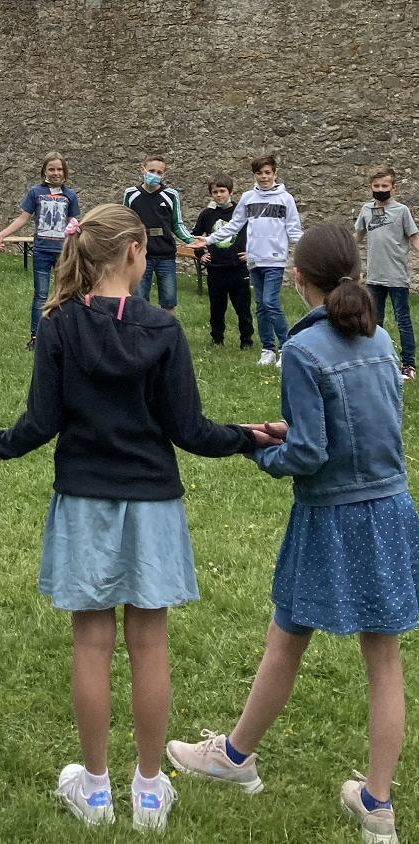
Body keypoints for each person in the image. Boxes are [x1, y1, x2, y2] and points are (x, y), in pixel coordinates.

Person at [0, 205, 276, 832]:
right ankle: (146, 789)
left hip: (84, 500)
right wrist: (249, 437)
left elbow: (40, 422)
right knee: (150, 643)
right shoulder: (161, 327)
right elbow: (188, 429)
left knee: (90, 642)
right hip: (152, 504)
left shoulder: (59, 325)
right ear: (136, 252)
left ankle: (98, 789)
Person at [167, 223, 418, 844]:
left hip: (331, 517)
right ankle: (377, 804)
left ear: (297, 278)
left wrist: (259, 450)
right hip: (389, 509)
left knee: (286, 640)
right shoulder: (383, 338)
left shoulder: (303, 351)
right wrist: (295, 431)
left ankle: (234, 757)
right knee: (383, 661)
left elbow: (309, 455)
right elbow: (362, 428)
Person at [205, 154, 303, 367]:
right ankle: (267, 349)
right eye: (259, 173)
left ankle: (287, 347)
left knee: (271, 303)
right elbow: (234, 225)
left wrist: (309, 250)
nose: (264, 177)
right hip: (254, 260)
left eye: (267, 173)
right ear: (254, 175)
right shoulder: (248, 198)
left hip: (275, 261)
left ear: (275, 174)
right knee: (260, 306)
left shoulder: (286, 199)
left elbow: (294, 230)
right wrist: (208, 240)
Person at [0, 152, 81, 349]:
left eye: (59, 169)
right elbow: (23, 218)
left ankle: (62, 335)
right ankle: (36, 337)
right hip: (42, 251)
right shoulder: (35, 192)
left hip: (63, 252)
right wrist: (2, 235)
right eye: (51, 169)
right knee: (41, 294)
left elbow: (73, 223)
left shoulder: (70, 195)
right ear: (44, 171)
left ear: (64, 172)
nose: (56, 173)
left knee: (64, 293)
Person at [355, 165, 419, 381]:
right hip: (374, 277)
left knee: (403, 321)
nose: (380, 189)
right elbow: (357, 237)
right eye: (376, 185)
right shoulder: (366, 210)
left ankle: (408, 364)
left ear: (393, 187)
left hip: (397, 277)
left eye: (385, 185)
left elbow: (414, 237)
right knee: (374, 320)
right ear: (370, 187)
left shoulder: (402, 211)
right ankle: (377, 360)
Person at [122, 155, 202, 316]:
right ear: (142, 170)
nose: (155, 175)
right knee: (139, 300)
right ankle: (140, 334)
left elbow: (177, 224)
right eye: (151, 171)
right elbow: (125, 222)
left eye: (159, 172)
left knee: (168, 300)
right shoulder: (131, 194)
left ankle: (167, 334)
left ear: (164, 174)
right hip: (140, 255)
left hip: (166, 255)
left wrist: (191, 240)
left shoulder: (171, 195)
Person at [192, 175, 254, 348]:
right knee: (217, 308)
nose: (219, 195)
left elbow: (256, 233)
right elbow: (195, 236)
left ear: (230, 191)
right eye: (215, 192)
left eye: (222, 191)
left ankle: (246, 340)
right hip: (216, 268)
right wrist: (200, 253)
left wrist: (251, 252)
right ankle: (217, 338)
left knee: (243, 308)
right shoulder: (207, 214)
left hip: (238, 267)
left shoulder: (241, 212)